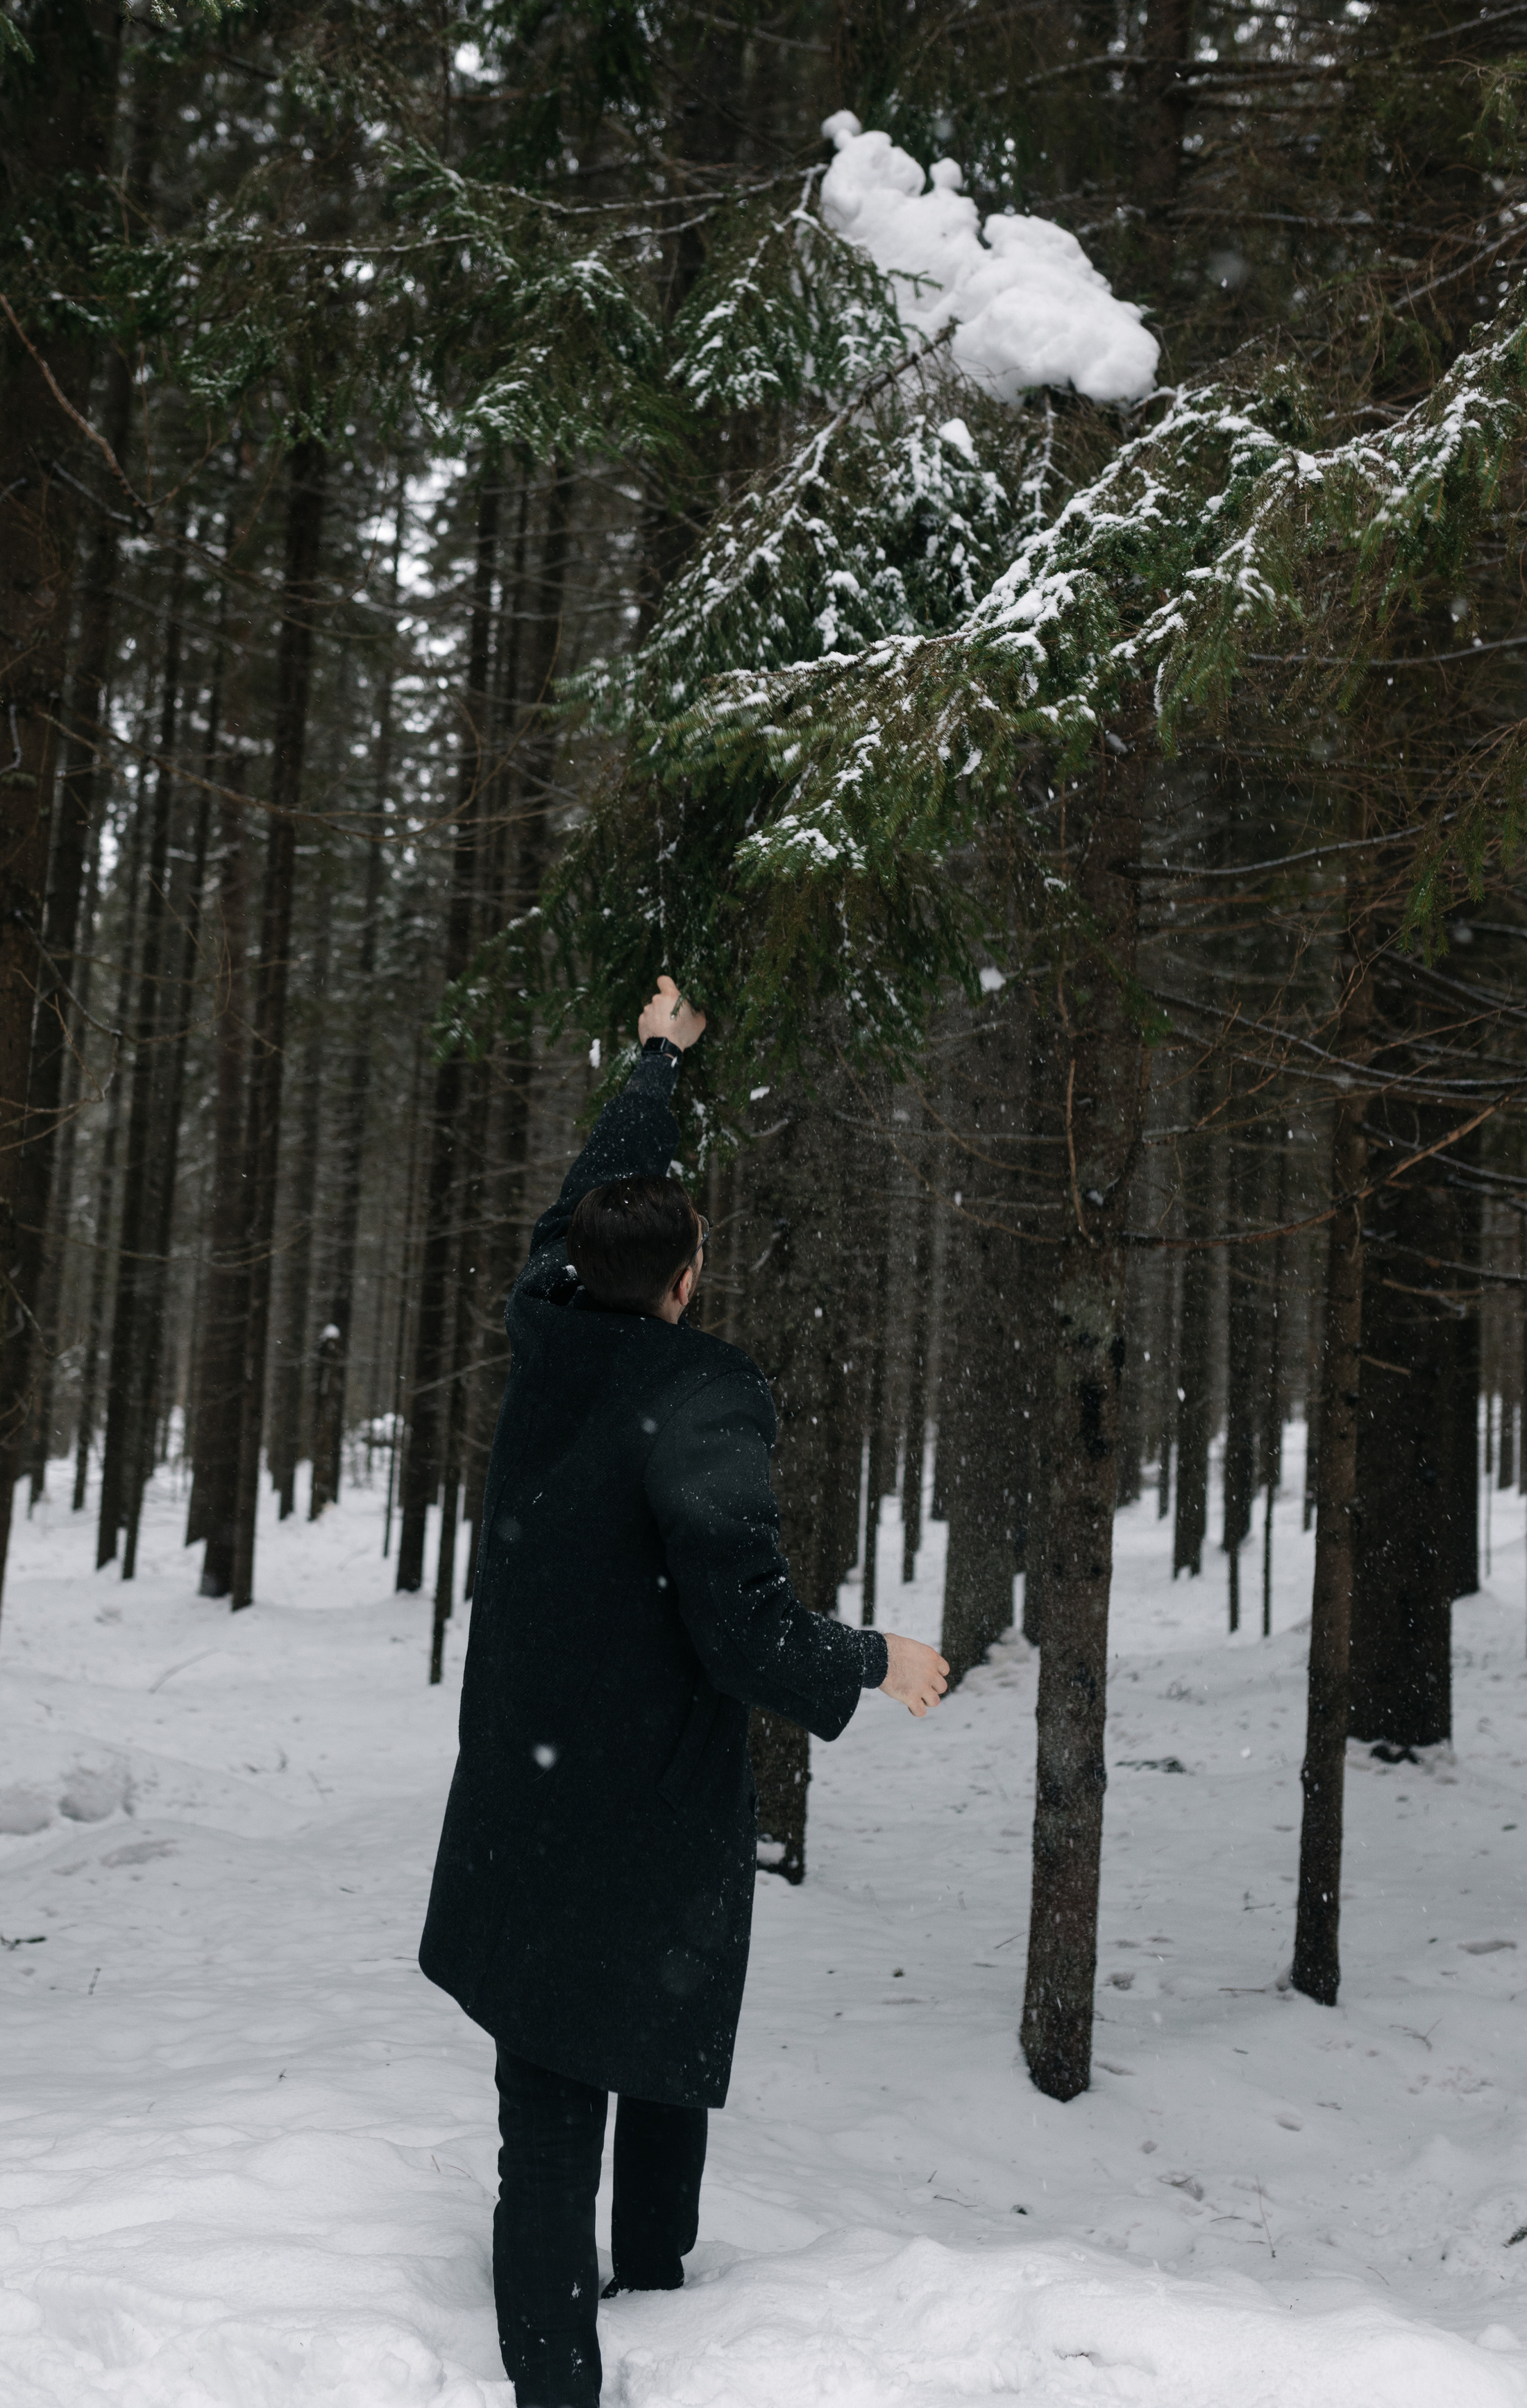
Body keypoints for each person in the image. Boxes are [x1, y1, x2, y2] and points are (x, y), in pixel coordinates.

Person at [419, 974, 950, 2408]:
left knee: (559, 2095)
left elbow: (579, 1205)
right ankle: (600, 2348)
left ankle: (639, 2318)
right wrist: (876, 1659)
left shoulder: (548, 1318)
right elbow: (745, 1630)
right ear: (685, 1278)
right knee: (627, 2053)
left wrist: (656, 1063)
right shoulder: (701, 1400)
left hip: (527, 1792)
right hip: (641, 1800)